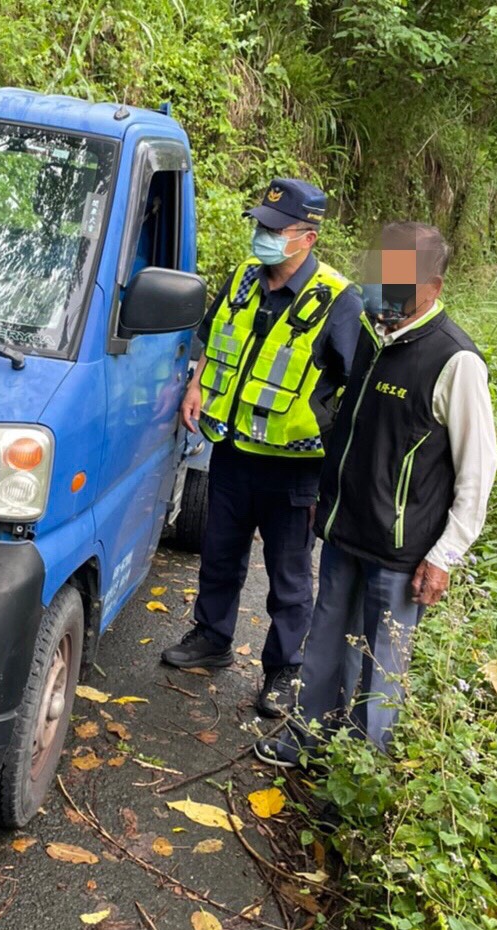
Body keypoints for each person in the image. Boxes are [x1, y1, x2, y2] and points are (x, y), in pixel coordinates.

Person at [255, 221, 497, 766]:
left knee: (379, 666)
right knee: (322, 645)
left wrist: (444, 557)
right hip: (345, 533)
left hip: (401, 553)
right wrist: (329, 491)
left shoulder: (455, 360)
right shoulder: (368, 333)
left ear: (432, 286)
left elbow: (477, 474)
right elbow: (349, 428)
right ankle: (307, 738)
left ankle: (360, 772)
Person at [162, 179, 362, 718]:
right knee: (219, 552)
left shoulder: (339, 300)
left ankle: (284, 670)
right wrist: (197, 384)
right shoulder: (245, 280)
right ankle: (212, 637)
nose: (263, 235)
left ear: (308, 237)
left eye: (275, 229)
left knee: (289, 575)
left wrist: (338, 470)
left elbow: (355, 384)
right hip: (231, 451)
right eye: (260, 224)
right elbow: (214, 338)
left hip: (295, 468)